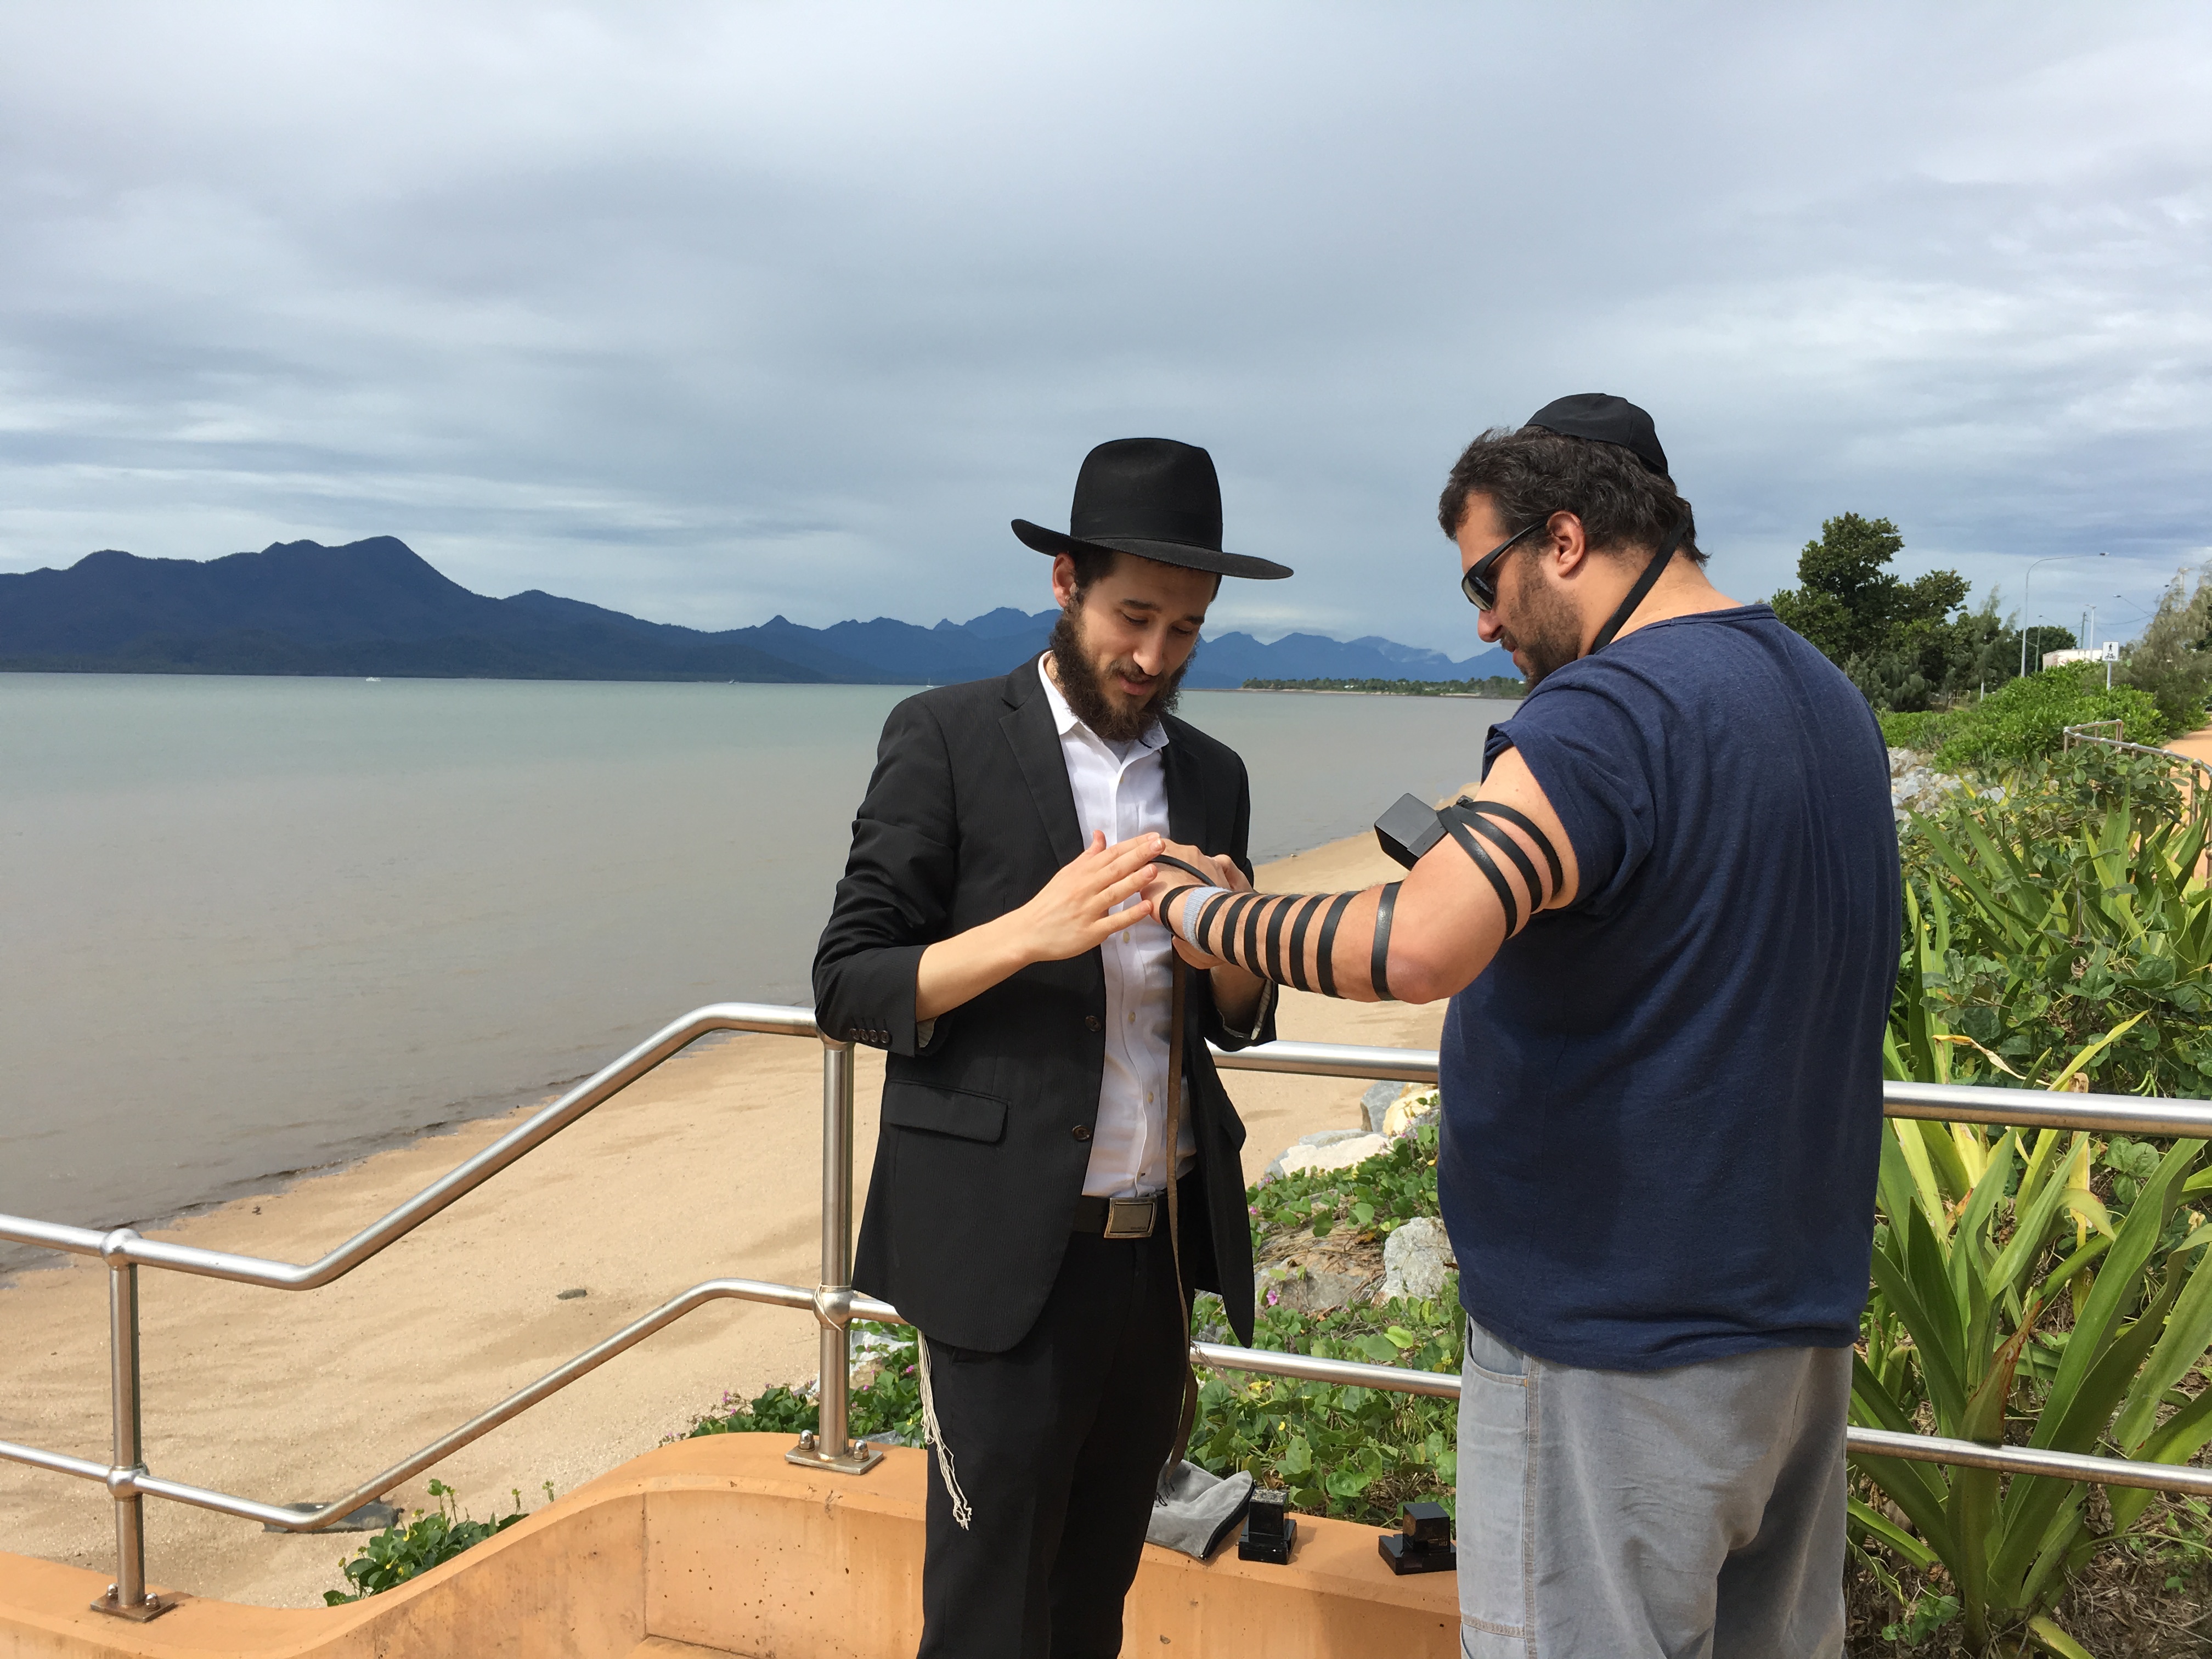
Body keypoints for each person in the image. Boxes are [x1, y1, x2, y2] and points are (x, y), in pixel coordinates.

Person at [1139, 395, 1898, 1658]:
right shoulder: (1824, 696)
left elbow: (1416, 941)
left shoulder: (1608, 711)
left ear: (1562, 538)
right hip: (1792, 1325)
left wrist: (1202, 913)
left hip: (1617, 1344)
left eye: (1483, 580)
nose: (1484, 621)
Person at [813, 437, 1289, 1659]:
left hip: (1155, 1251)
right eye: (1136, 616)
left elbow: (1235, 1019)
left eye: (1187, 631)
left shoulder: (1214, 774)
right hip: (1002, 1256)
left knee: (1092, 1600)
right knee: (984, 1615)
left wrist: (1232, 940)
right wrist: (1028, 932)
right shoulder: (949, 736)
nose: (1155, 657)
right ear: (1067, 583)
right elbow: (849, 982)